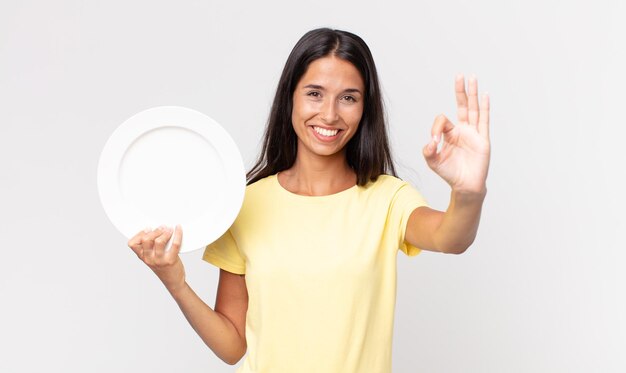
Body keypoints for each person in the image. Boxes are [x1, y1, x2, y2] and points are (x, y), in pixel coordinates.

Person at [127, 28, 490, 372]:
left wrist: (468, 192)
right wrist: (174, 282)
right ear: (290, 98)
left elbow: (450, 237)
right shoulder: (245, 204)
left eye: (348, 97)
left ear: (365, 108)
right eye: (314, 93)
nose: (330, 114)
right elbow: (233, 345)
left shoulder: (387, 199)